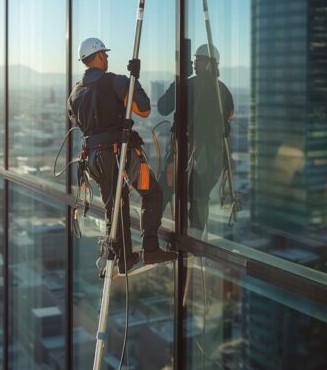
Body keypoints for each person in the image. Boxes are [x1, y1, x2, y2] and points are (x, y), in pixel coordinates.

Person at [67, 37, 178, 274]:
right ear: (97, 56)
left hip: (94, 161)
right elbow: (144, 109)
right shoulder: (114, 82)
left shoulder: (75, 92)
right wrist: (132, 82)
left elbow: (78, 121)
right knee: (152, 193)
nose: (107, 58)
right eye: (105, 54)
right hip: (119, 155)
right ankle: (150, 248)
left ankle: (124, 257)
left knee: (114, 206)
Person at [158, 44, 234, 234]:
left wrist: (178, 80)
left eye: (198, 59)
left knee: (165, 190)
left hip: (186, 149)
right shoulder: (223, 91)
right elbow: (228, 118)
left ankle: (151, 236)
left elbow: (163, 107)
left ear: (209, 63)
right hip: (211, 156)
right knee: (199, 198)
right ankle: (193, 243)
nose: (193, 63)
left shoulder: (187, 85)